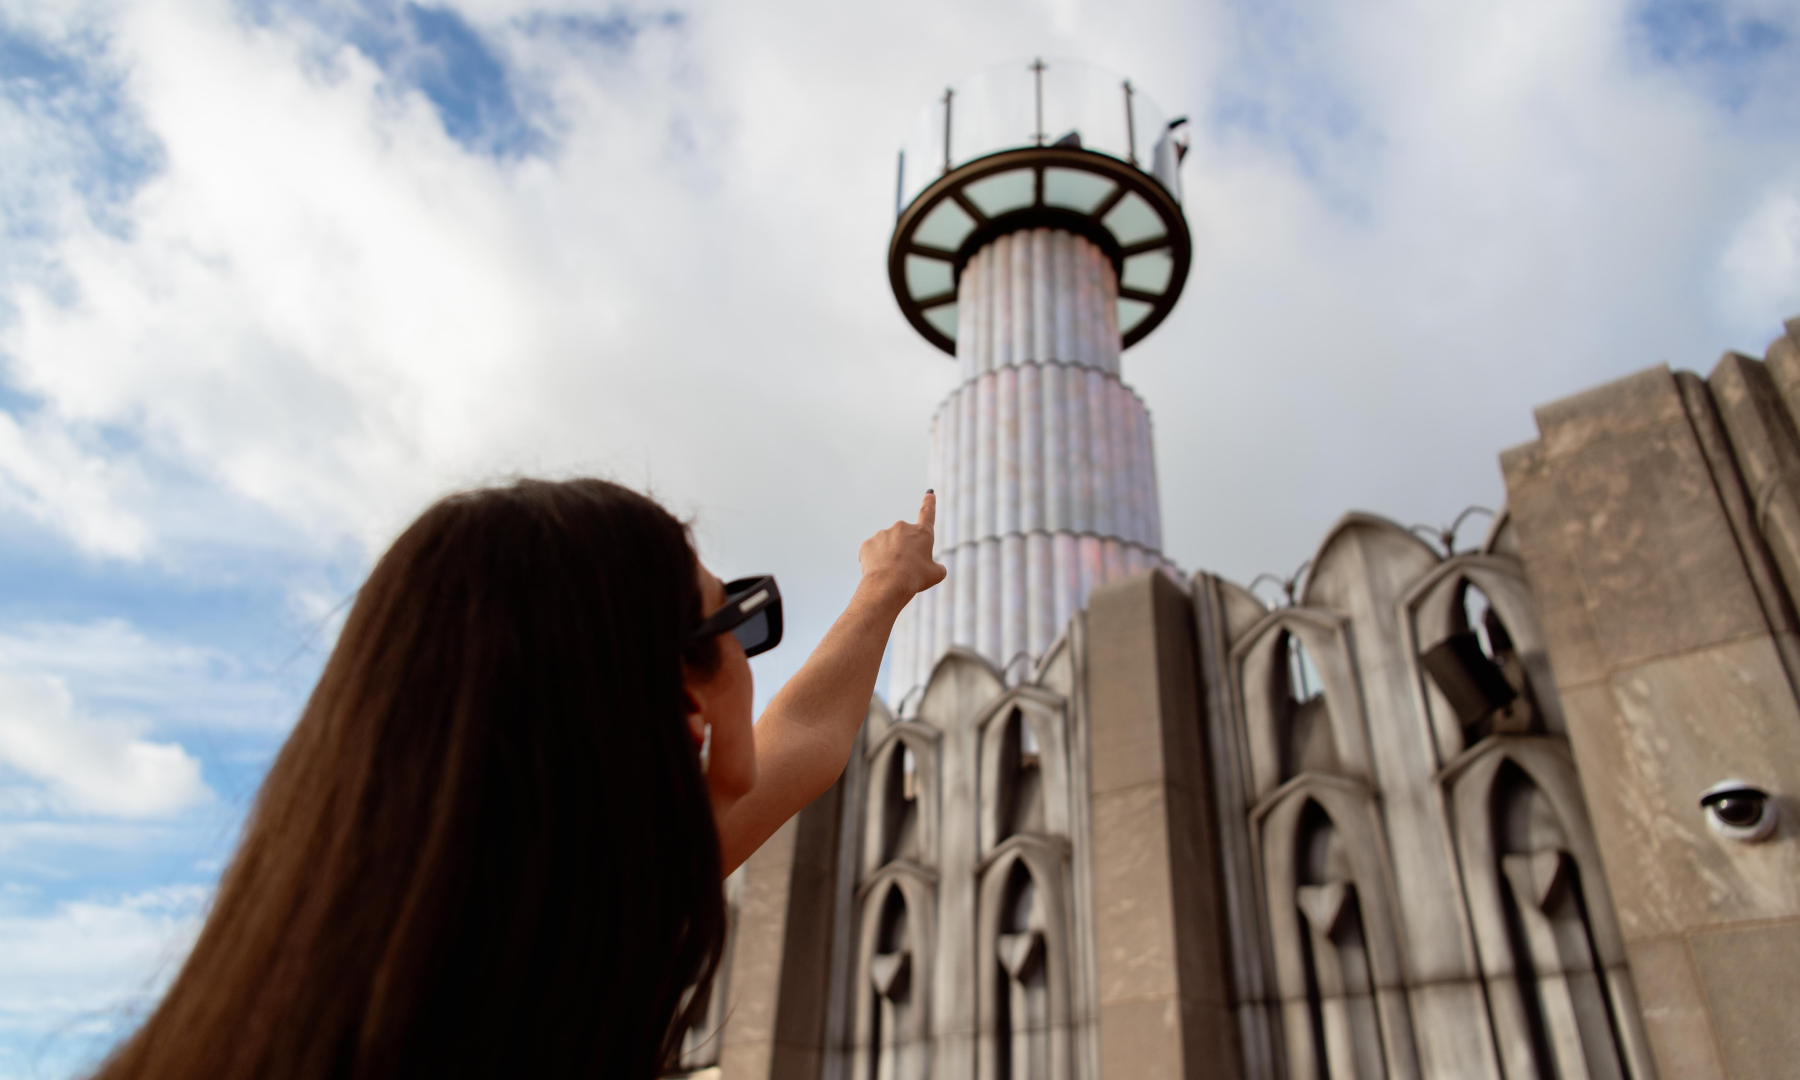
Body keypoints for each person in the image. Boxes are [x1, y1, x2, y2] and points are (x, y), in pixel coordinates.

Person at [88, 478, 945, 1080]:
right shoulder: (600, 913)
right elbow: (802, 738)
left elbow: (805, 734)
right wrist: (883, 587)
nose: (748, 658)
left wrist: (882, 587)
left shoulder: (381, 930)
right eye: (737, 623)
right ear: (686, 700)